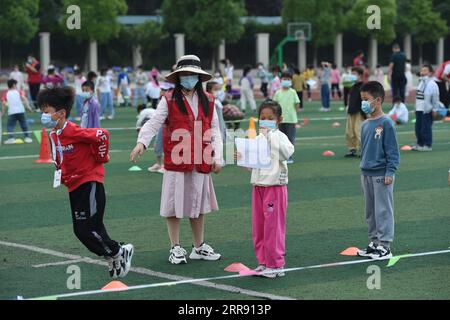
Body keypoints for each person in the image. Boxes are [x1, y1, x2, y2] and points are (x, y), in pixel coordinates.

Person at [130, 55, 223, 265]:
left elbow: (215, 129)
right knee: (174, 204)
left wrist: (218, 156)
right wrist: (141, 142)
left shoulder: (209, 99)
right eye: (184, 74)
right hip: (177, 159)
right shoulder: (169, 99)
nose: (188, 78)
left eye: (192, 74)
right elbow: (154, 123)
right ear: (178, 76)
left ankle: (198, 247)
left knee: (198, 204)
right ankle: (175, 247)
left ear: (199, 77)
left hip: (201, 158)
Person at [36, 87, 134, 278]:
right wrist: (62, 175)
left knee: (86, 228)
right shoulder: (52, 135)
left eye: (46, 112)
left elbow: (102, 135)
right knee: (85, 229)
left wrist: (100, 158)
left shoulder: (73, 130)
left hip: (89, 182)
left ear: (61, 113)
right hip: (73, 186)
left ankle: (118, 251)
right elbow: (61, 158)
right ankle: (113, 257)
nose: (43, 115)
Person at [236, 100, 294, 278]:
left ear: (279, 119)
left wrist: (269, 136)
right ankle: (263, 262)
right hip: (259, 187)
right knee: (259, 227)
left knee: (273, 227)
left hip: (275, 187)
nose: (266, 121)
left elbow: (286, 153)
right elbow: (252, 164)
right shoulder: (257, 138)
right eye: (263, 118)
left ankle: (276, 265)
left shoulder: (280, 136)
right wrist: (242, 156)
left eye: (270, 118)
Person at [357, 81, 400, 260]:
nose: (363, 103)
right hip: (366, 173)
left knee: (383, 210)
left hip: (381, 174)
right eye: (362, 99)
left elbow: (393, 151)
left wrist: (390, 172)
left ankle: (385, 246)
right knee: (370, 211)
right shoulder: (366, 124)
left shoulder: (387, 123)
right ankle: (374, 242)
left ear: (378, 100)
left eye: (366, 99)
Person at [273, 72, 300, 164]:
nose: (286, 81)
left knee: (290, 138)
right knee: (281, 139)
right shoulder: (278, 93)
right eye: (284, 79)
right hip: (280, 120)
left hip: (291, 119)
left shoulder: (293, 92)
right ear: (281, 80)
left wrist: (293, 113)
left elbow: (297, 103)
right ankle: (282, 156)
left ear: (291, 81)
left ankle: (289, 157)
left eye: (288, 79)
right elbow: (274, 105)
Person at [413, 65, 440, 152]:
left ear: (431, 73)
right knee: (418, 128)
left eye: (425, 71)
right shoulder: (421, 82)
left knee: (426, 128)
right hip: (419, 109)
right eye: (422, 70)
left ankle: (427, 145)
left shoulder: (432, 84)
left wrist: (435, 109)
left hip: (427, 109)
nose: (422, 72)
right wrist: (415, 108)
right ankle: (420, 144)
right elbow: (418, 97)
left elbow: (435, 98)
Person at [2, 79, 33, 145]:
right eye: (16, 84)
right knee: (24, 124)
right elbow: (24, 99)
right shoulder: (19, 91)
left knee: (10, 126)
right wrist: (28, 107)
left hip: (12, 112)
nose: (16, 86)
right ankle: (27, 138)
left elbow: (4, 103)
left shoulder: (6, 93)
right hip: (21, 111)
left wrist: (3, 112)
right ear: (13, 85)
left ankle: (11, 138)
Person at [345, 67, 366, 158]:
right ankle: (352, 148)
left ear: (360, 75)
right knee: (349, 131)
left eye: (354, 74)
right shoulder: (353, 86)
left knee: (358, 131)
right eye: (352, 73)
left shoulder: (363, 87)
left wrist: (365, 112)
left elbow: (364, 100)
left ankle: (364, 150)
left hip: (359, 112)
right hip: (351, 111)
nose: (352, 75)